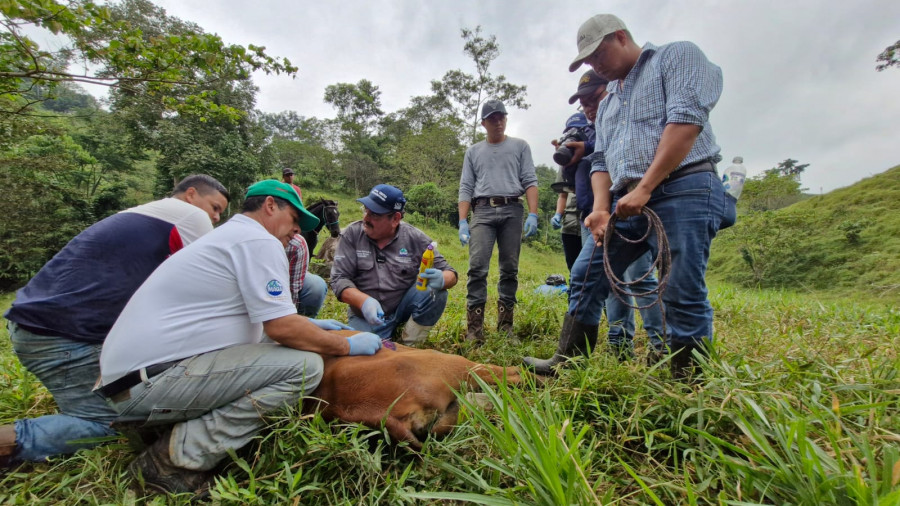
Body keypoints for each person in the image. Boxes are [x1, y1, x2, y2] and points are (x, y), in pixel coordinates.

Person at [96, 180, 382, 495]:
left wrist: (309, 325)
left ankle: (165, 428)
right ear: (270, 205)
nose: (297, 232)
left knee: (288, 351)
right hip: (150, 382)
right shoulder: (258, 240)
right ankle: (173, 462)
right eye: (295, 221)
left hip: (130, 380)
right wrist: (345, 345)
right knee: (306, 367)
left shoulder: (231, 236)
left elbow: (251, 321)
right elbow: (280, 328)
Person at [524, 14, 735, 379]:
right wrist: (602, 209)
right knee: (586, 274)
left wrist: (646, 187)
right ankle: (568, 362)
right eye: (586, 60)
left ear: (620, 37)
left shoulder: (676, 57)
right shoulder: (607, 103)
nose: (594, 65)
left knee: (679, 287)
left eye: (597, 55)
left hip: (683, 188)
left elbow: (686, 121)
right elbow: (601, 160)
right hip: (625, 202)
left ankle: (687, 381)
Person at [1, 175, 229, 467]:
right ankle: (14, 442)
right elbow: (215, 279)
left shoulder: (142, 215)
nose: (215, 217)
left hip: (37, 323)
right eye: (215, 207)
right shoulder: (190, 216)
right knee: (111, 424)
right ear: (191, 194)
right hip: (62, 335)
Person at [555, 70, 665, 362]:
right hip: (591, 212)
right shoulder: (589, 127)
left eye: (595, 99)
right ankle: (617, 346)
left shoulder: (622, 120)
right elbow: (576, 177)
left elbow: (625, 153)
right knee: (597, 279)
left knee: (638, 280)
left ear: (613, 92)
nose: (590, 108)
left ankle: (661, 349)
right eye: (584, 104)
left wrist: (587, 146)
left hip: (626, 206)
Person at [331, 184, 457, 344]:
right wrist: (364, 301)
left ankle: (410, 342)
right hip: (366, 316)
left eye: (374, 215)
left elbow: (450, 273)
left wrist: (443, 278)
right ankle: (381, 333)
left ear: (395, 219)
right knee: (364, 352)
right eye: (365, 210)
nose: (366, 218)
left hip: (401, 307)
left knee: (437, 292)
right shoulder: (352, 234)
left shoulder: (415, 238)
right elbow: (339, 279)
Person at [458, 99, 539, 344]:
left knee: (509, 269)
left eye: (501, 117)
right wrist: (463, 220)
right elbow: (466, 186)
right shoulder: (473, 151)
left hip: (512, 209)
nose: (498, 122)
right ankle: (475, 329)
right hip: (482, 211)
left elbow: (530, 180)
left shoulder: (520, 146)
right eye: (492, 118)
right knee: (477, 268)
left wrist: (533, 214)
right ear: (483, 123)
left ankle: (506, 327)